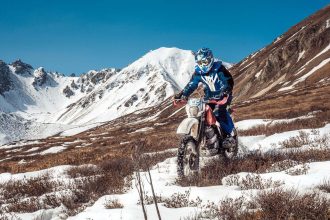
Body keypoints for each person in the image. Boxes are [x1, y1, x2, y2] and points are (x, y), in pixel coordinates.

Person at [174, 48, 236, 148]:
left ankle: (229, 137)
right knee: (202, 112)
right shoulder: (198, 73)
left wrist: (225, 91)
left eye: (205, 62)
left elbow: (228, 81)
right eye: (199, 62)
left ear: (210, 59)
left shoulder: (219, 69)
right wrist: (182, 95)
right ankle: (206, 136)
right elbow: (191, 85)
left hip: (223, 95)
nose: (202, 65)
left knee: (220, 111)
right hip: (209, 97)